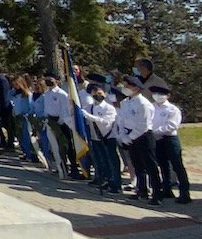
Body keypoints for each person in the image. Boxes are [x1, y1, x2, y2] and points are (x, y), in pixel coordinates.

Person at [118, 75, 163, 205]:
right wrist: (123, 135)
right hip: (130, 137)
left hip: (143, 136)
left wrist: (130, 137)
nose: (125, 88)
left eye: (127, 86)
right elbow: (122, 119)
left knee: (150, 166)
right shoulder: (125, 102)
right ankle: (141, 190)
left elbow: (143, 125)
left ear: (136, 88)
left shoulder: (143, 103)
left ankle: (156, 194)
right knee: (137, 166)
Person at [151, 85, 191, 204]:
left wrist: (155, 131)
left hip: (170, 139)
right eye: (155, 93)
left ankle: (184, 192)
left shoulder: (172, 109)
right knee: (163, 165)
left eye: (160, 94)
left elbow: (172, 126)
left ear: (167, 96)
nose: (157, 96)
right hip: (157, 140)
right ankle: (167, 189)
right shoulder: (152, 107)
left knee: (177, 165)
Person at [80, 82, 120, 194]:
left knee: (111, 161)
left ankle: (116, 184)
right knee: (101, 161)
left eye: (100, 93)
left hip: (108, 137)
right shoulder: (89, 107)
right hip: (95, 138)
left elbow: (106, 121)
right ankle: (106, 180)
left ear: (104, 94)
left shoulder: (109, 108)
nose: (97, 95)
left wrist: (91, 117)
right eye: (94, 93)